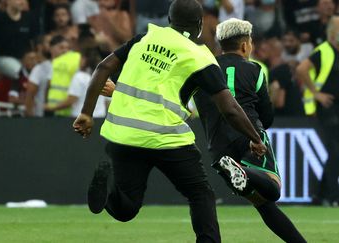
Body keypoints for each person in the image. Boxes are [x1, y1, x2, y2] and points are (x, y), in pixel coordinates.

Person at [72, 1, 266, 242]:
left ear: (169, 19)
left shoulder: (144, 39)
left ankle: (107, 195)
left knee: (126, 209)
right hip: (167, 137)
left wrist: (87, 113)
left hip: (123, 136)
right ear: (199, 25)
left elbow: (103, 67)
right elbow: (230, 109)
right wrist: (254, 138)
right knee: (200, 194)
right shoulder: (199, 56)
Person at [193, 18, 306, 243]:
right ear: (245, 45)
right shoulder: (255, 69)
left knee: (262, 202)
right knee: (273, 189)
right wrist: (257, 135)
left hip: (218, 145)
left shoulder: (202, 70)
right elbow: (267, 114)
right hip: (249, 137)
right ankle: (244, 170)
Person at [297, 16, 339, 206]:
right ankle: (334, 196)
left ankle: (319, 194)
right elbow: (301, 70)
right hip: (328, 107)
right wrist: (316, 94)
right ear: (332, 32)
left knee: (336, 152)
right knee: (335, 150)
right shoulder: (323, 51)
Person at [45, 47, 108, 118]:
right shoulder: (104, 76)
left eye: (80, 58)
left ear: (85, 60)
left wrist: (50, 108)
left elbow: (71, 100)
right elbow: (107, 101)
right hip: (100, 118)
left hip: (81, 119)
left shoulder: (79, 77)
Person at [25, 35, 69, 117]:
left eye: (67, 48)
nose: (65, 51)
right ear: (51, 49)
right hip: (42, 117)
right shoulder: (40, 69)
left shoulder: (72, 69)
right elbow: (30, 95)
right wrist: (30, 116)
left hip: (65, 116)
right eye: (61, 47)